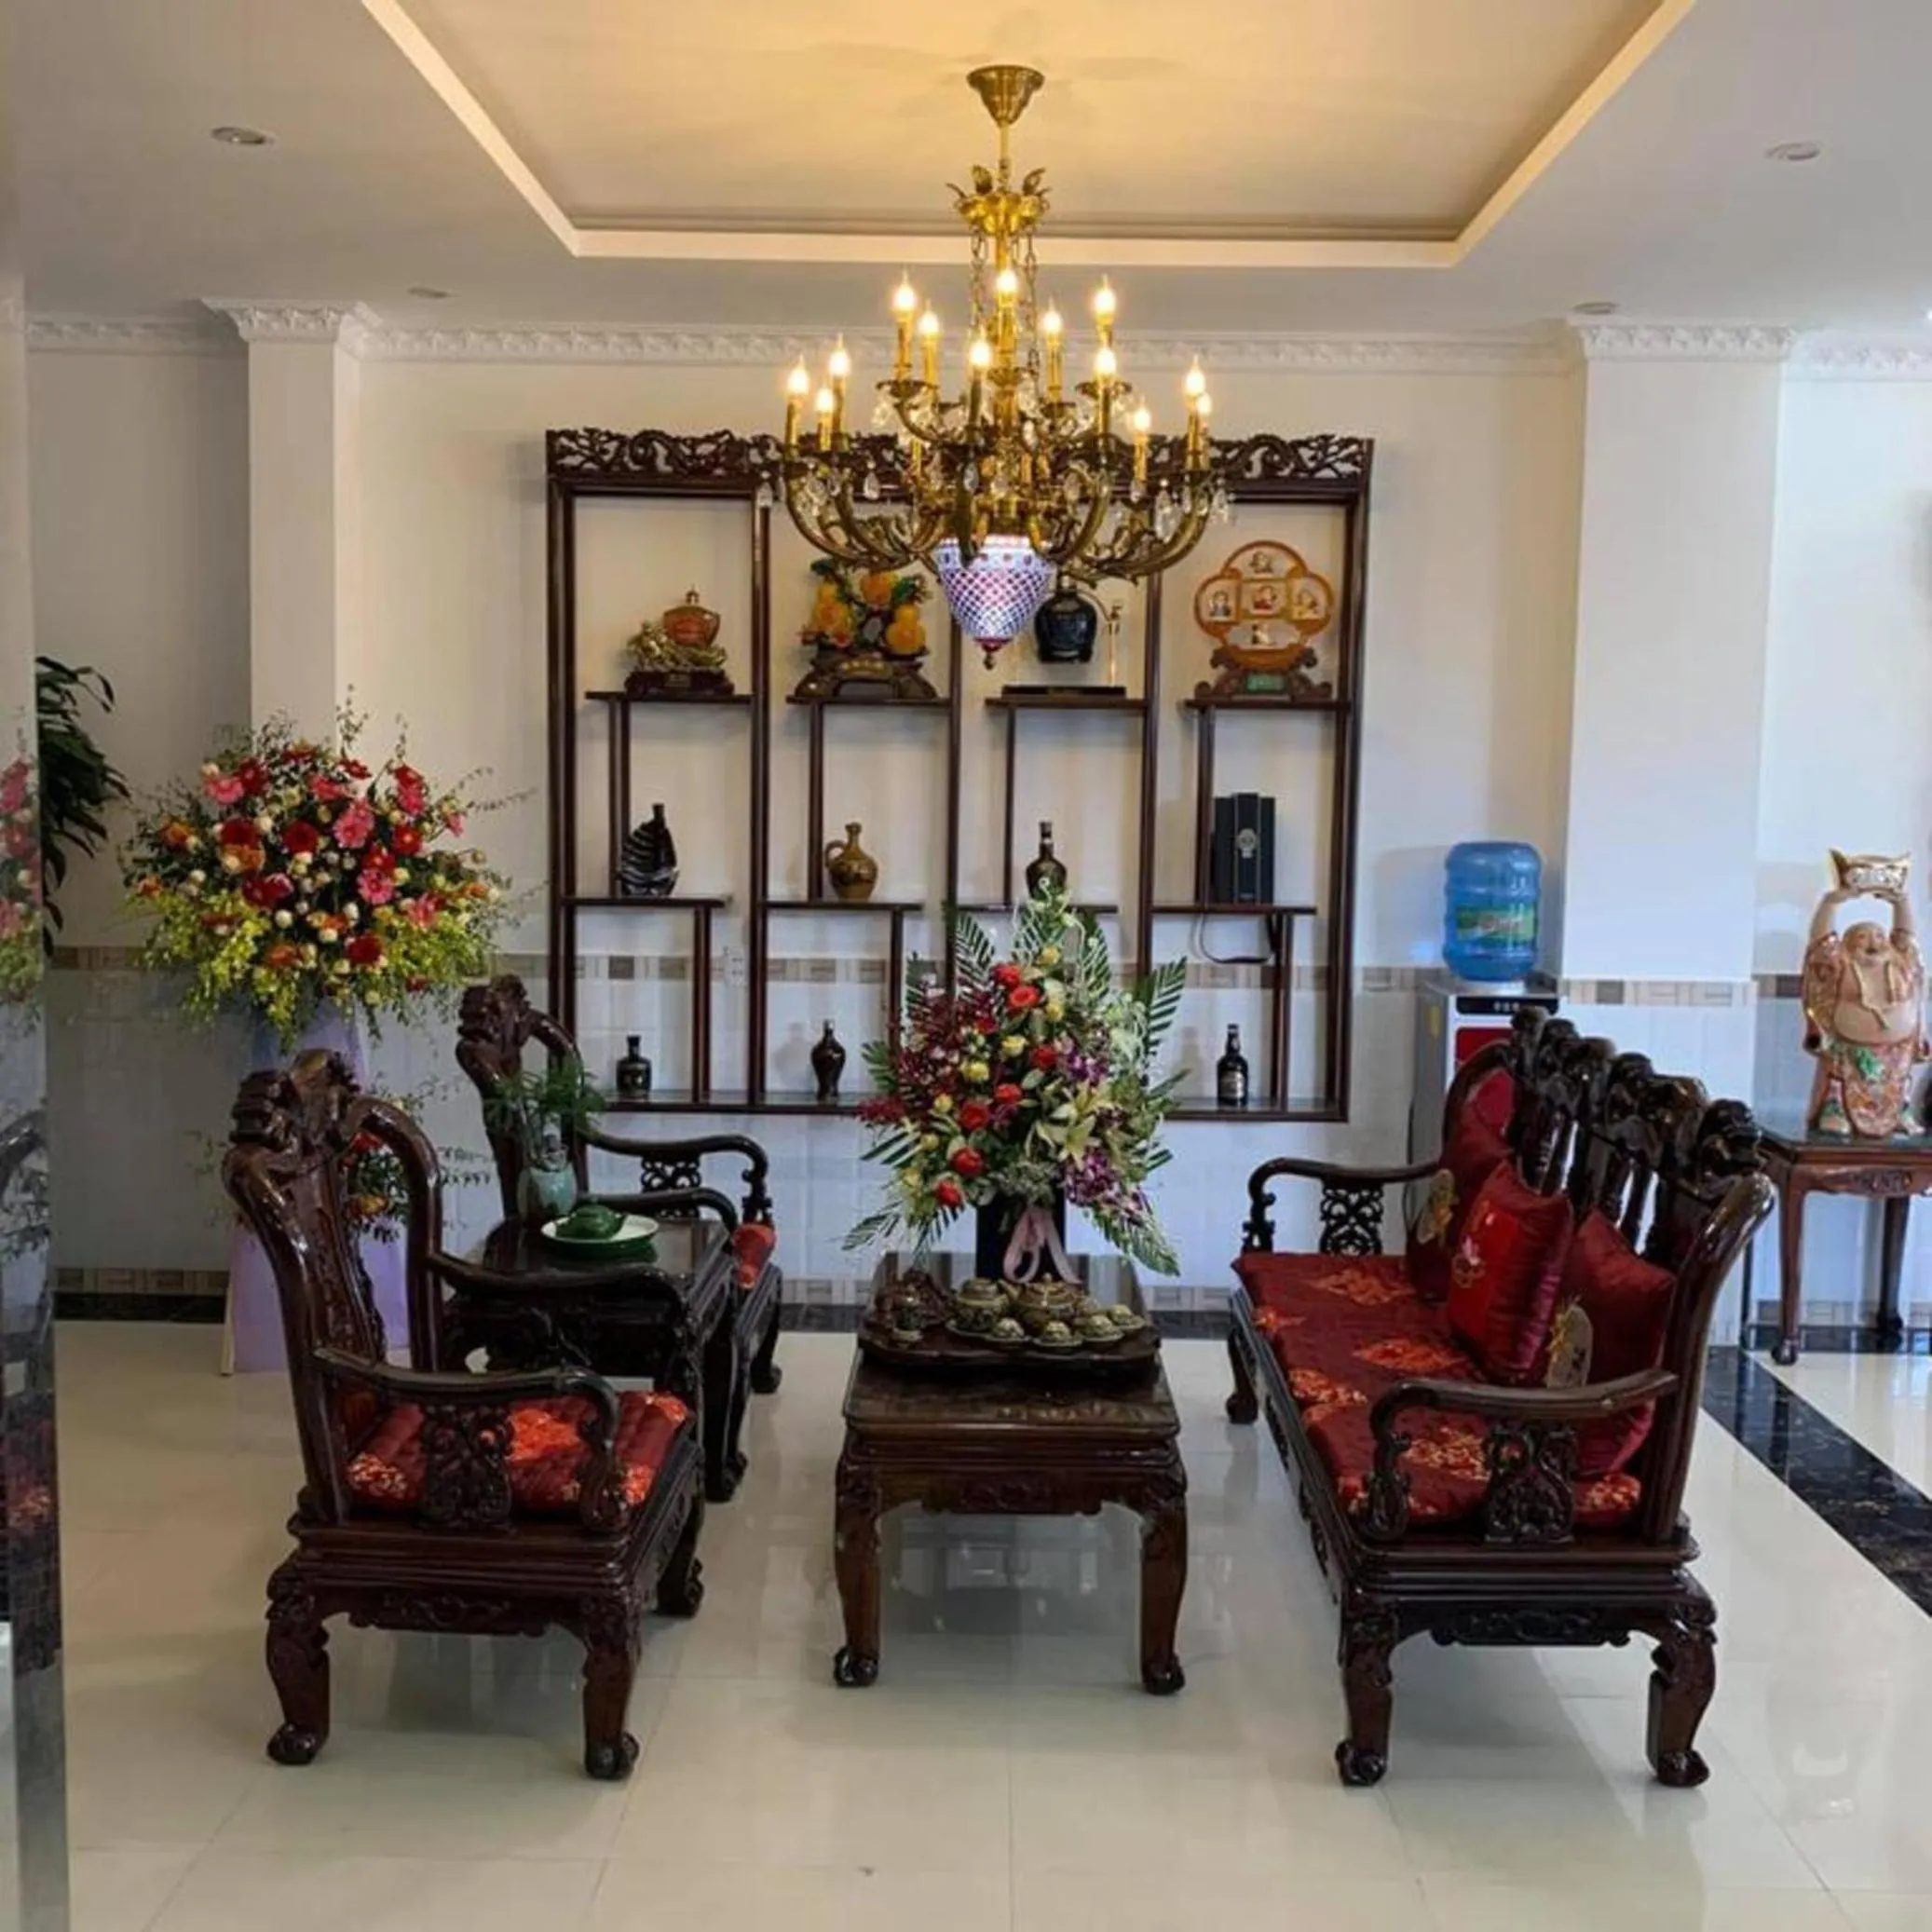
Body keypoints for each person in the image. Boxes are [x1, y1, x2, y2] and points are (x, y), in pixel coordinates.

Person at [1800, 878, 1929, 1136]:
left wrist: (1900, 901)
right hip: (1848, 1044)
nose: (1873, 941)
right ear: (1848, 943)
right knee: (1841, 1077)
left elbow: (1907, 938)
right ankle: (1836, 1110)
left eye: (1879, 936)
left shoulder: (1899, 963)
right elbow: (1821, 943)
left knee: (1898, 1079)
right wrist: (1832, 902)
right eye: (1863, 936)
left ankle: (1898, 1113)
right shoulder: (1841, 963)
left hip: (1897, 1047)